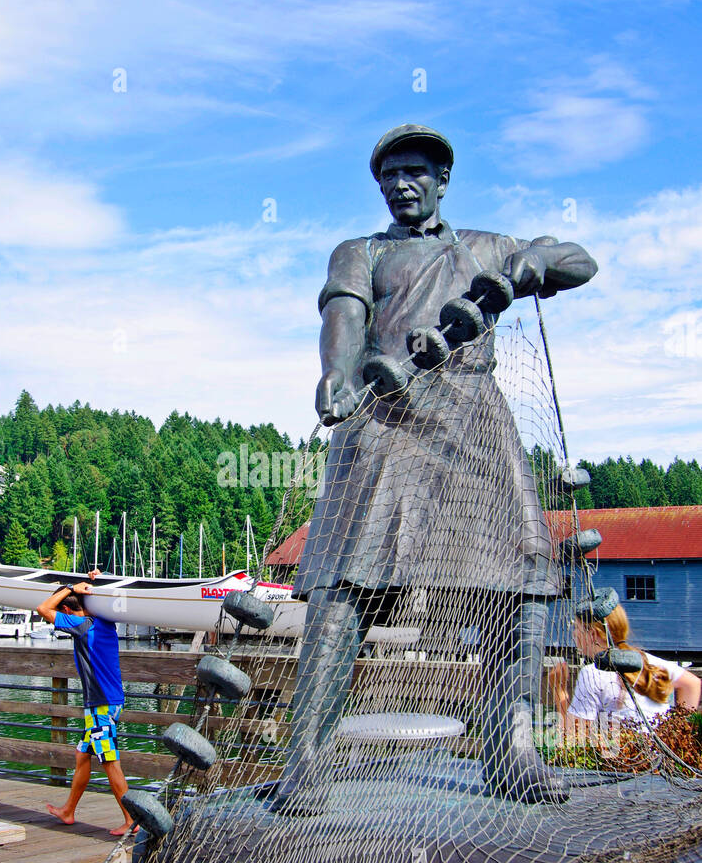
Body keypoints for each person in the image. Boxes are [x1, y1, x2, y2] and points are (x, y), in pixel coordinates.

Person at [275, 123, 599, 810]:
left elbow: (578, 261)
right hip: (384, 416)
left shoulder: (484, 247)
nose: (402, 185)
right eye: (389, 176)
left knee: (521, 579)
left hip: (474, 417)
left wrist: (529, 267)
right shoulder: (358, 252)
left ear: (442, 179)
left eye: (415, 172)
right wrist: (336, 374)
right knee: (344, 586)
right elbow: (343, 315)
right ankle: (305, 756)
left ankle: (509, 751)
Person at [36, 571, 135, 836]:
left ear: (67, 610)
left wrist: (68, 587)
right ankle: (68, 811)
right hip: (107, 702)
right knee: (83, 755)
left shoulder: (82, 627)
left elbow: (42, 608)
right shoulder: (104, 623)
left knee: (109, 761)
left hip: (101, 704)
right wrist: (92, 581)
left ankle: (130, 820)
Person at [563, 601, 700, 731]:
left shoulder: (592, 673)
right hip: (660, 753)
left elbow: (574, 734)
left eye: (576, 627)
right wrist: (680, 731)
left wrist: (559, 690)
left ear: (592, 634)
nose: (574, 634)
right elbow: (692, 684)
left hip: (623, 754)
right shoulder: (647, 660)